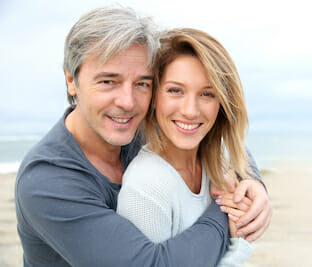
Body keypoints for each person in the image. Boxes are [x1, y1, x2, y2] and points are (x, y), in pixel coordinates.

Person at [14, 6, 271, 267]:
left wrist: (253, 183)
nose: (127, 102)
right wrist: (224, 208)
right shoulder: (47, 180)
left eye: (142, 84)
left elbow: (214, 137)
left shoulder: (140, 124)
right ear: (71, 80)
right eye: (108, 81)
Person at [117, 28, 259, 266]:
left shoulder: (219, 162)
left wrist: (254, 188)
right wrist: (240, 245)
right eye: (175, 91)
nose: (191, 110)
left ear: (222, 104)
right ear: (154, 97)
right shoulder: (147, 187)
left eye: (207, 94)